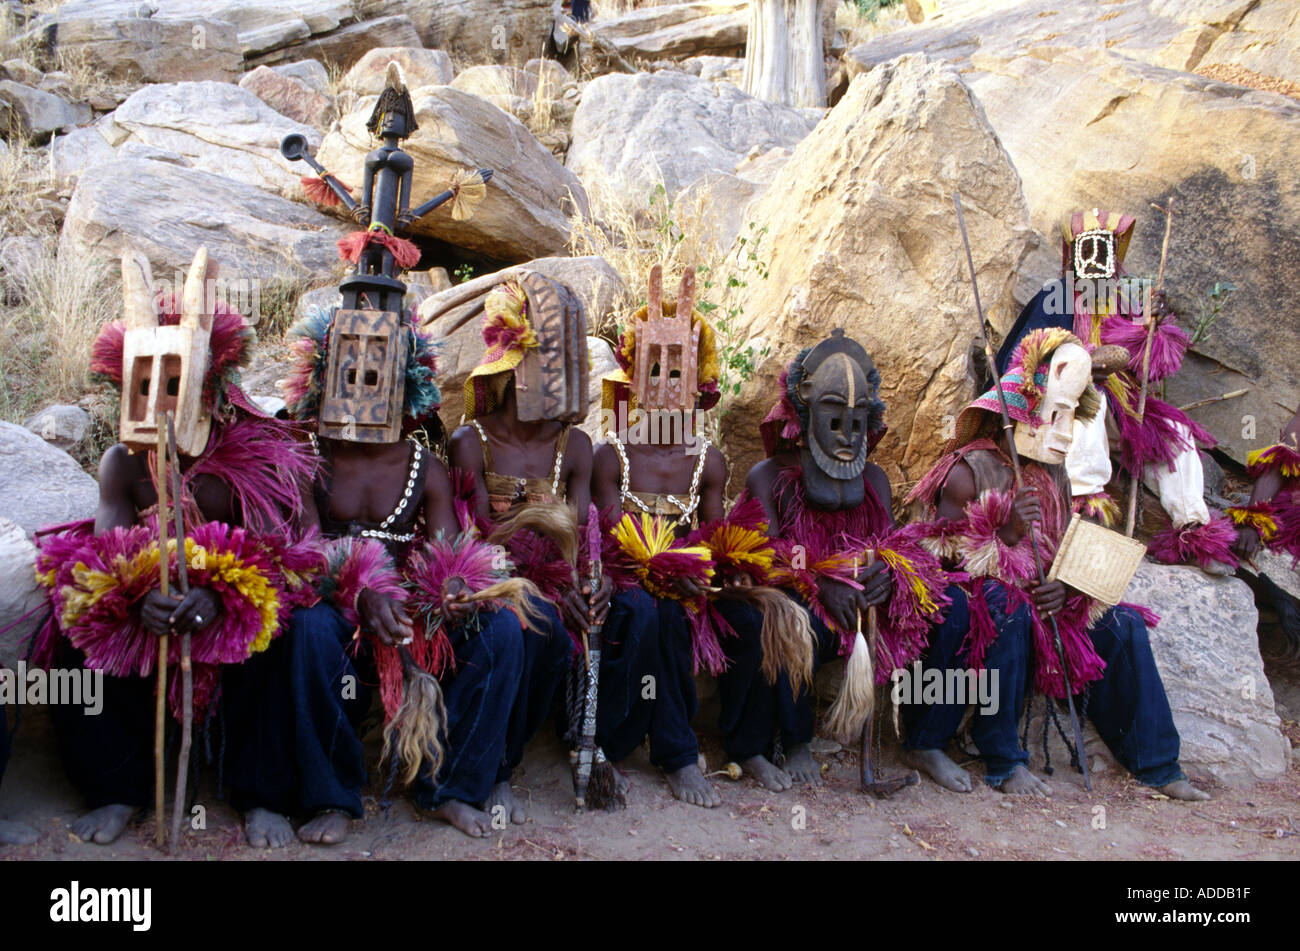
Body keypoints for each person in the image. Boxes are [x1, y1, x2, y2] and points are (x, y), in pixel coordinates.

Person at [32, 248, 322, 846]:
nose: (158, 399)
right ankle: (116, 787)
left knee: (286, 631)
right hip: (154, 606)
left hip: (237, 607)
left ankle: (261, 793)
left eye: (174, 383)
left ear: (210, 386)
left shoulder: (255, 457)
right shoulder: (123, 462)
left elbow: (285, 554)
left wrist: (227, 599)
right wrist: (135, 599)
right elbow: (107, 552)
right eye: (145, 383)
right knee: (72, 627)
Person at [908, 327, 1209, 801]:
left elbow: (1061, 548)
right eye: (1056, 415)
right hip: (992, 622)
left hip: (1047, 614)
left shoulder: (1051, 476)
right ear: (1025, 410)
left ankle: (1157, 764)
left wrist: (1067, 588)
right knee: (1004, 605)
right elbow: (937, 570)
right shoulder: (968, 471)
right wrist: (1004, 537)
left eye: (1071, 417)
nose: (1066, 432)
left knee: (1125, 624)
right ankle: (1003, 759)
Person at [282, 298, 532, 841]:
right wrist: (357, 596)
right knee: (306, 631)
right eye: (350, 368)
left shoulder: (426, 466)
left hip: (408, 615)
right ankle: (333, 796)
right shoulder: (309, 455)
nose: (364, 380)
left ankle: (449, 788)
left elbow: (448, 552)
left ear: (406, 380)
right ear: (325, 373)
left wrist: (455, 587)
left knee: (501, 631)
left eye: (379, 370)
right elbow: (303, 552)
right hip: (334, 609)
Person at [713, 330, 948, 791]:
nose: (847, 431)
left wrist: (890, 573)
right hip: (799, 598)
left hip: (861, 604)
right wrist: (819, 581)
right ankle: (779, 743)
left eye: (857, 418)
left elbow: (896, 543)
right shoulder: (770, 476)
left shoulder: (875, 480)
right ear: (803, 409)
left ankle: (926, 741)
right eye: (833, 414)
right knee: (788, 623)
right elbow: (764, 551)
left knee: (952, 613)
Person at [448, 271, 614, 818]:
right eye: (542, 357)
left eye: (564, 359)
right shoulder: (471, 443)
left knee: (558, 629)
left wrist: (591, 584)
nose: (555, 373)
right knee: (518, 628)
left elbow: (588, 540)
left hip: (554, 588)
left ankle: (511, 760)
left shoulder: (578, 446)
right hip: (490, 587)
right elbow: (468, 545)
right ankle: (491, 771)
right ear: (508, 358)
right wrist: (519, 586)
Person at [995, 209, 1236, 574]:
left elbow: (1151, 366)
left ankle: (1194, 530)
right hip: (1061, 408)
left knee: (1178, 438)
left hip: (1123, 414)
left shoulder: (1127, 301)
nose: (1096, 267)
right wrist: (1080, 365)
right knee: (1090, 412)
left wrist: (1152, 327)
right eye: (1087, 255)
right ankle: (1086, 514)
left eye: (1103, 256)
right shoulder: (1054, 298)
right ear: (1073, 258)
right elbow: (1026, 356)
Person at [590, 265, 728, 807]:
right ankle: (609, 743)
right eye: (655, 368)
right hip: (624, 580)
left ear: (699, 382)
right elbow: (602, 538)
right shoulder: (612, 454)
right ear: (633, 377)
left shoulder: (706, 461)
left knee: (673, 614)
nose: (668, 384)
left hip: (683, 585)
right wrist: (644, 573)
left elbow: (715, 539)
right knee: (644, 611)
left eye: (680, 371)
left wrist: (705, 574)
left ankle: (677, 753)